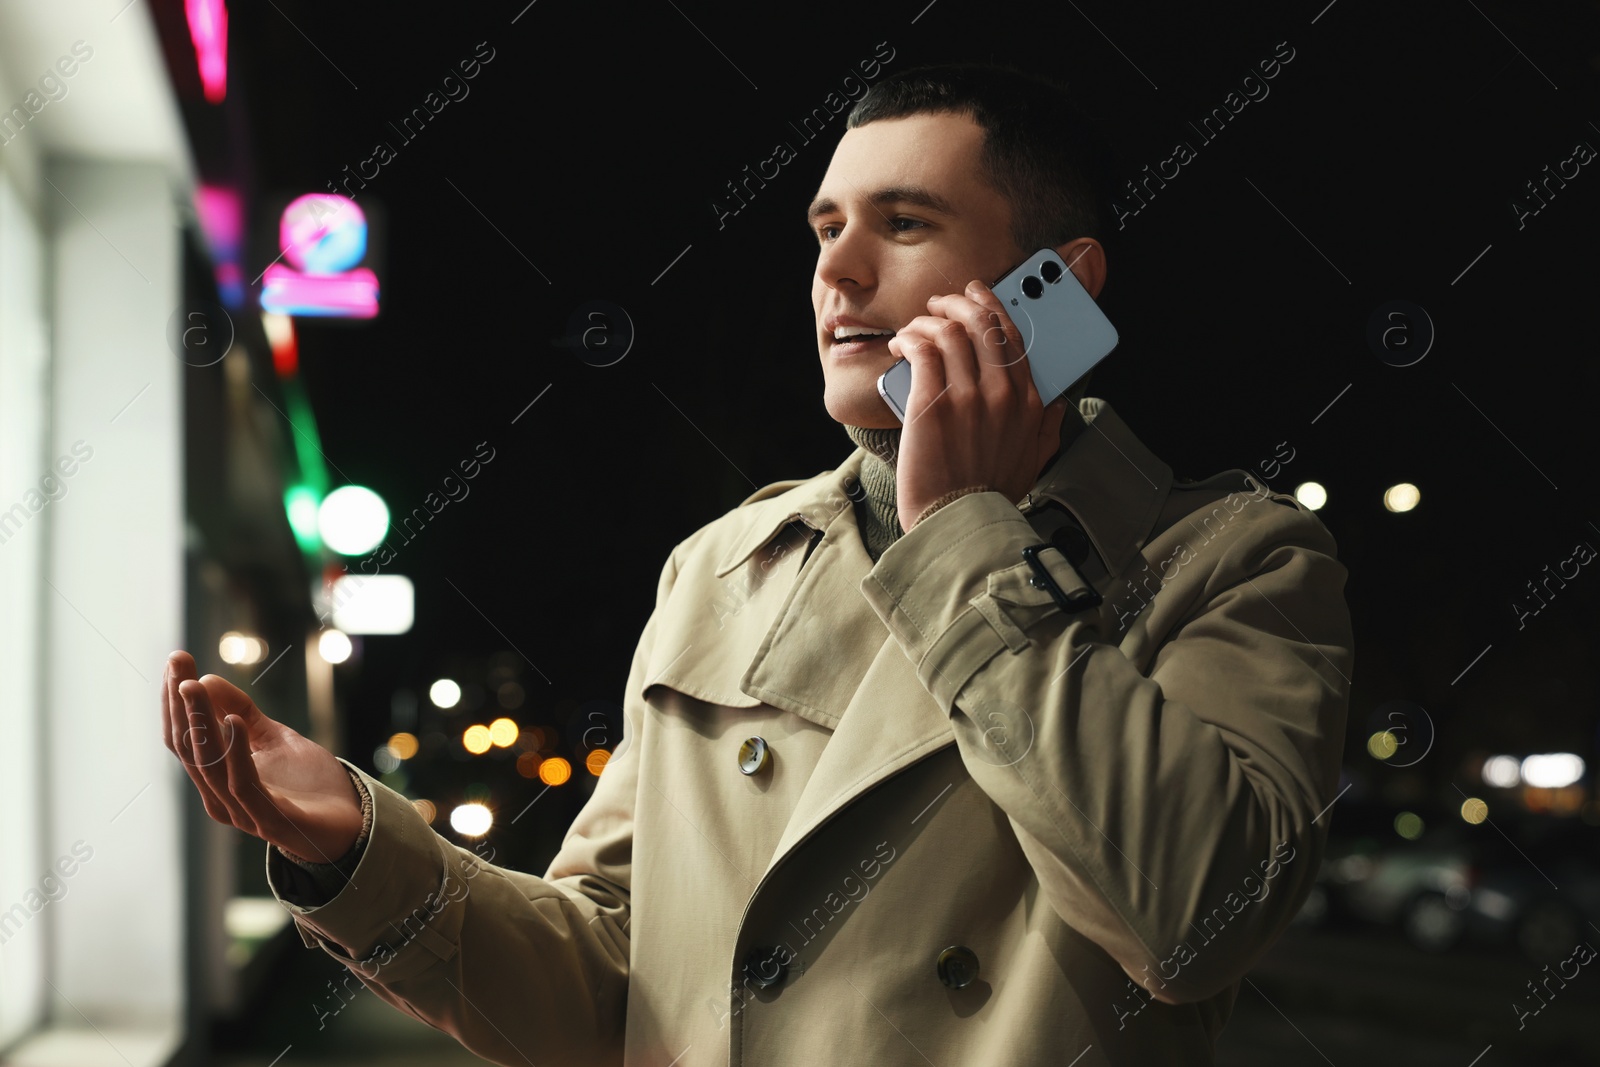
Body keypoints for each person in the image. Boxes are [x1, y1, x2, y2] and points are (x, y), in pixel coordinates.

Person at [163, 62, 1353, 1066]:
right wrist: (364, 852)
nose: (837, 273)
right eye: (827, 230)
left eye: (904, 223)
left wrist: (965, 528)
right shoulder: (726, 562)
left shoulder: (1233, 561)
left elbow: (1193, 919)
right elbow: (611, 981)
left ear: (1056, 290)